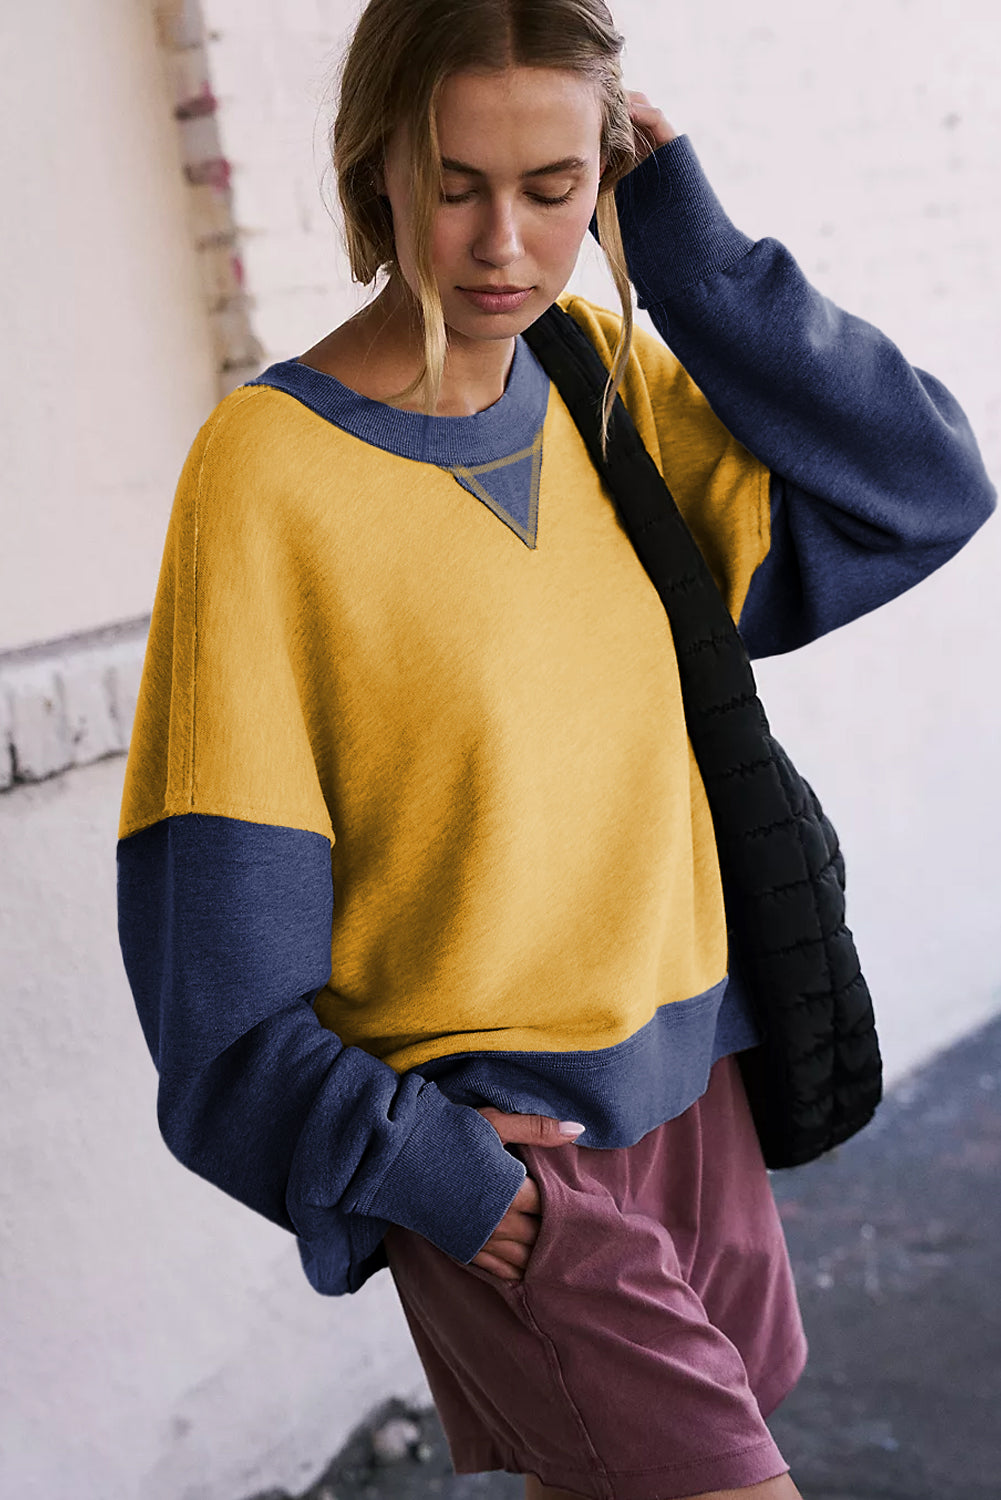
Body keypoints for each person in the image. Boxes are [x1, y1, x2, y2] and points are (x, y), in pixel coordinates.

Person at [116, 1, 996, 1497]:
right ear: (378, 167)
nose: (504, 246)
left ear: (605, 180)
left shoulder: (598, 380)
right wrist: (431, 1173)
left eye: (552, 188)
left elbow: (918, 487)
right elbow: (214, 969)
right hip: (512, 1153)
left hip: (698, 1084)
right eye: (455, 185)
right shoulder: (267, 477)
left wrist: (693, 258)